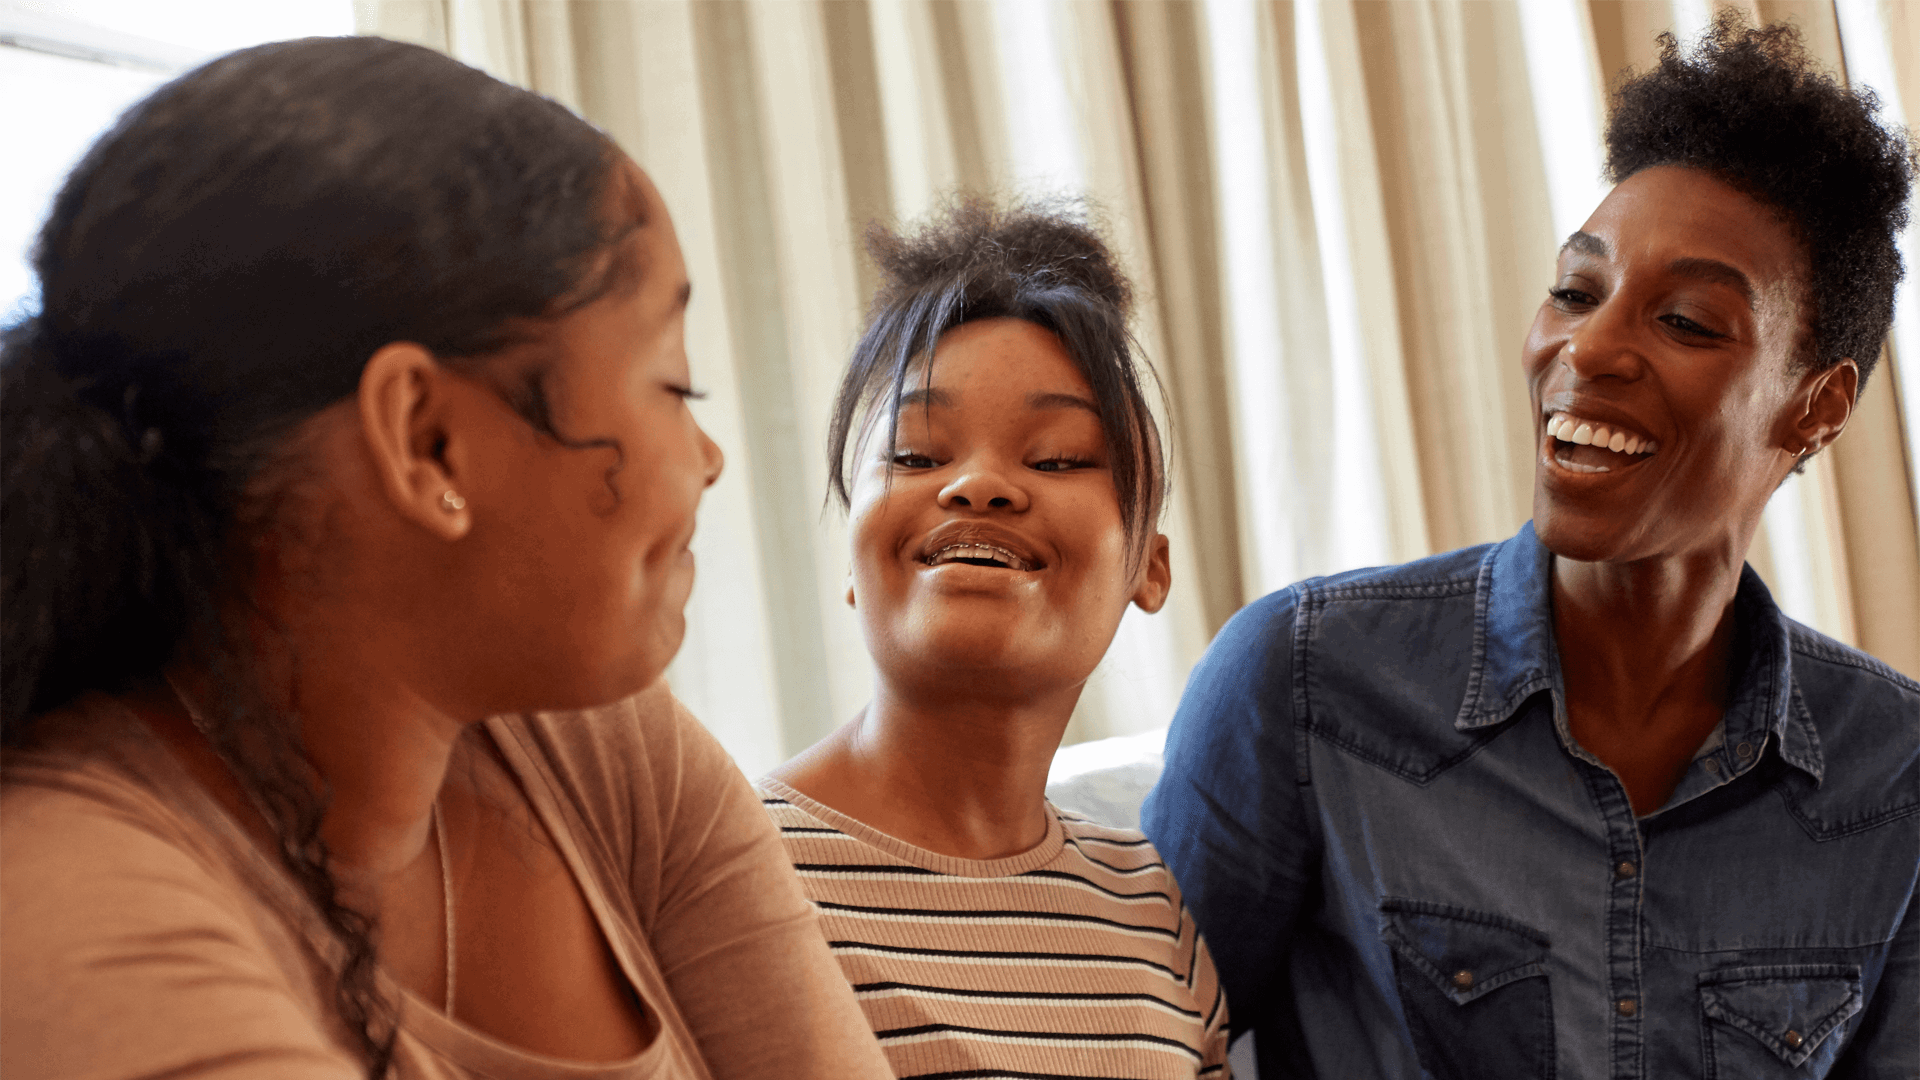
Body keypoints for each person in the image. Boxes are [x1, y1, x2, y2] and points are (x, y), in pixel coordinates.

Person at [0, 36, 893, 1080]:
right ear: (426, 441)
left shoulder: (603, 751)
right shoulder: (70, 911)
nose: (706, 458)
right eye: (671, 384)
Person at [1143, 15, 1917, 1080]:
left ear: (1817, 408)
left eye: (1687, 321)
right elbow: (1130, 1052)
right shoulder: (1303, 682)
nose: (1588, 348)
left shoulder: (1898, 779)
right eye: (1576, 289)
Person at [759, 199, 1230, 1078]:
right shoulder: (731, 875)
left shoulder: (1155, 915)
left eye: (1055, 458)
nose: (976, 483)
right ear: (854, 555)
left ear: (1148, 569)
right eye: (914, 456)